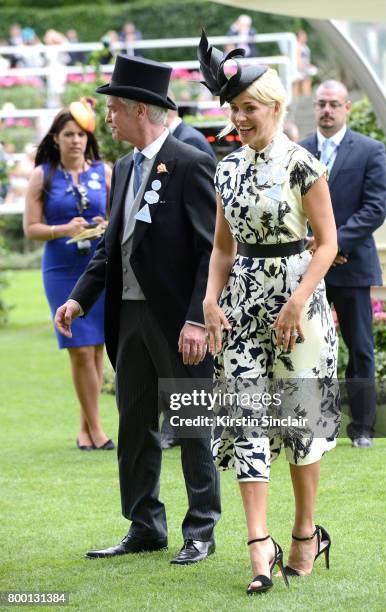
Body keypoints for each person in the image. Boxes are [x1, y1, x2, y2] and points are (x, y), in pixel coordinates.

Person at [54, 54, 221, 564]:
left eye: (113, 109)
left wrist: (197, 318)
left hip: (177, 321)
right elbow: (111, 246)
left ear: (139, 111)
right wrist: (80, 298)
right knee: (134, 426)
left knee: (194, 423)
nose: (107, 119)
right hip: (127, 319)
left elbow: (211, 251)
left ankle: (201, 531)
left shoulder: (192, 162)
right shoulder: (123, 168)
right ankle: (145, 525)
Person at [198, 31, 339, 595]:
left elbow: (326, 243)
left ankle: (305, 532)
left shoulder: (303, 164)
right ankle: (260, 545)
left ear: (276, 107)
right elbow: (222, 248)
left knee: (301, 423)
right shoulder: (225, 168)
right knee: (247, 419)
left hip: (298, 308)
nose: (241, 118)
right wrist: (210, 299)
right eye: (235, 110)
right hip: (238, 310)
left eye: (249, 108)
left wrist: (297, 300)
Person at [300, 80, 386, 448]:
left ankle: (363, 427)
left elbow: (375, 208)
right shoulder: (298, 150)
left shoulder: (370, 150)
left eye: (334, 104)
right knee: (305, 347)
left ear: (347, 107)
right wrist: (316, 247)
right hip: (305, 267)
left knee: (360, 347)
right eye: (321, 104)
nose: (327, 110)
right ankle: (310, 421)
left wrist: (332, 243)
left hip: (351, 264)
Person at [23, 98, 114, 452]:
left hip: (98, 266)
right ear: (56, 138)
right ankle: (98, 430)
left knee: (95, 351)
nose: (75, 141)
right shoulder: (42, 174)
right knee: (78, 348)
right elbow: (31, 229)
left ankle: (84, 429)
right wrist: (63, 229)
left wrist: (105, 224)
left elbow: (115, 216)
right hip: (61, 269)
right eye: (68, 135)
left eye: (80, 135)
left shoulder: (103, 172)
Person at [160, 103, 217, 450]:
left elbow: (204, 225)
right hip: (169, 276)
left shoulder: (192, 143)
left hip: (193, 274)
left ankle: (186, 428)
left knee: (192, 360)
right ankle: (176, 424)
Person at [293, 31, 317, 98]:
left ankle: (306, 99)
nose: (305, 37)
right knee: (297, 84)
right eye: (303, 36)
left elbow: (305, 58)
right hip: (299, 69)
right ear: (299, 37)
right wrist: (301, 67)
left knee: (307, 82)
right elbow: (297, 57)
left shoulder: (305, 46)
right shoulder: (297, 45)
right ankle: (296, 101)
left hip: (304, 68)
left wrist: (309, 65)